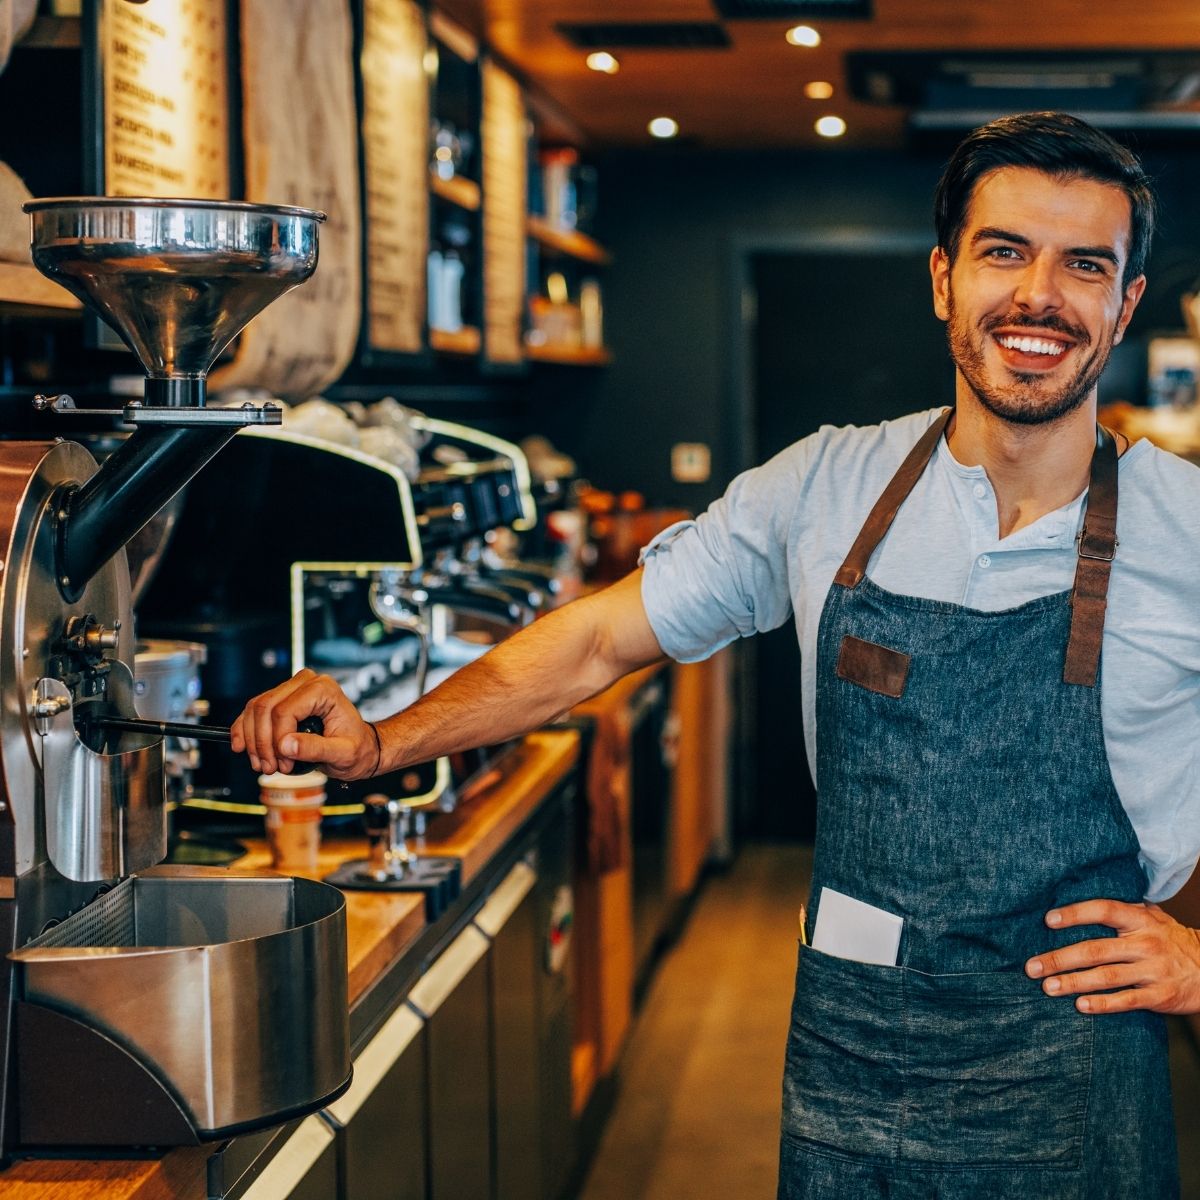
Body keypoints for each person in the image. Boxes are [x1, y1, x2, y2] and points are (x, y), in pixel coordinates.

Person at [233, 112, 1200, 1197]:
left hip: (1077, 1080)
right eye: (1004, 252)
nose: (1039, 298)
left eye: (1085, 265)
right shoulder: (826, 486)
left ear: (1124, 305)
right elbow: (598, 638)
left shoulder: (1187, 527)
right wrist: (388, 743)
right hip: (854, 1065)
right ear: (943, 279)